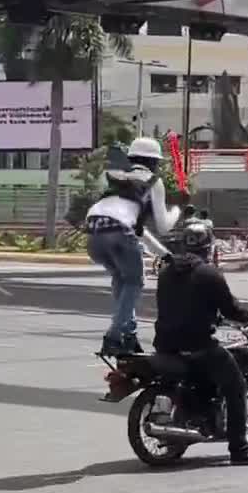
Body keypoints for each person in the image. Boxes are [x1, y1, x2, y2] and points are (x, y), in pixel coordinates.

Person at [154, 219, 248, 466]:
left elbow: (180, 305)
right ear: (209, 247)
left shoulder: (166, 272)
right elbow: (233, 311)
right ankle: (240, 449)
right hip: (197, 346)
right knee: (236, 387)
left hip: (165, 344)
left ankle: (202, 411)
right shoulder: (209, 274)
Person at [86, 136, 180, 355]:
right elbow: (164, 226)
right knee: (135, 282)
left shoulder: (118, 180)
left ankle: (130, 336)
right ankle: (114, 337)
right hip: (119, 232)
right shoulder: (153, 181)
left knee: (122, 279)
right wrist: (177, 210)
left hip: (94, 232)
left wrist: (164, 254)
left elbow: (137, 229)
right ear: (153, 162)